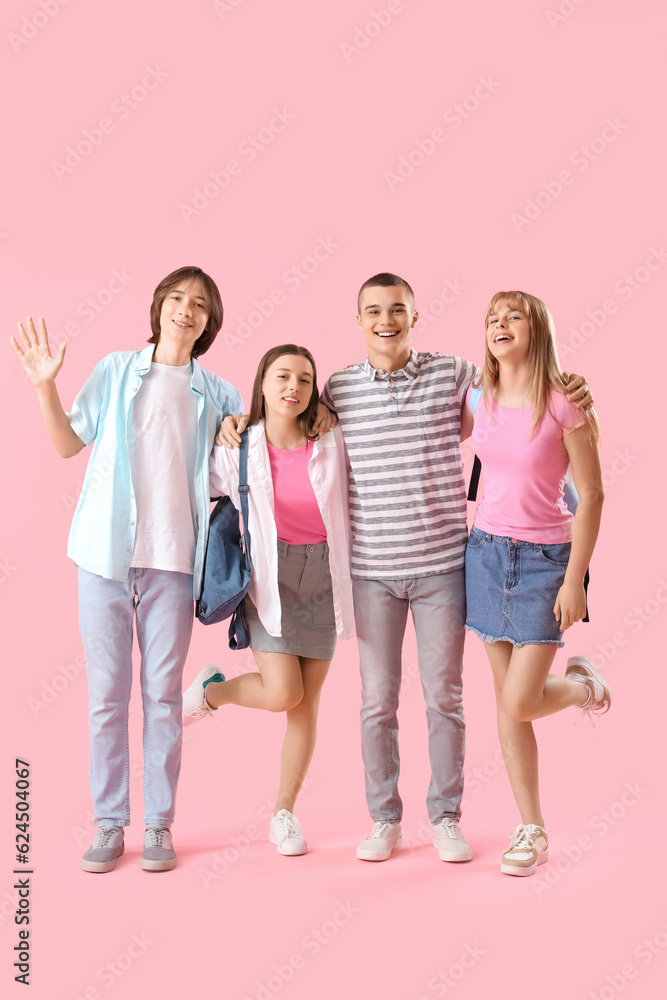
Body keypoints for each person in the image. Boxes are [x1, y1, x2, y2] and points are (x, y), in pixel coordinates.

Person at [218, 272, 594, 864]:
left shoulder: (455, 375)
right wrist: (233, 423)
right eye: (372, 311)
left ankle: (445, 816)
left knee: (446, 698)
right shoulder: (337, 390)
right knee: (376, 701)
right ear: (359, 320)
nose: (385, 320)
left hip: (447, 566)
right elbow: (284, 423)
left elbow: (518, 388)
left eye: (397, 309)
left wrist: (569, 384)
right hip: (371, 572)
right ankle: (384, 819)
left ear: (415, 317)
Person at [11, 266, 242, 873]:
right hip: (105, 558)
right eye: (176, 299)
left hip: (172, 564)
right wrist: (44, 386)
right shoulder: (116, 371)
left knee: (163, 697)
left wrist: (238, 430)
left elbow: (237, 468)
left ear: (209, 322)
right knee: (106, 698)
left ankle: (159, 826)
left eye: (199, 305)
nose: (185, 311)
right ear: (159, 307)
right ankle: (110, 824)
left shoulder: (219, 392)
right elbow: (68, 445)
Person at [182, 345, 354, 856]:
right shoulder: (239, 447)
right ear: (262, 383)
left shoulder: (331, 438)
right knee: (285, 693)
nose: (293, 388)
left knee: (306, 706)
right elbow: (192, 483)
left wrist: (328, 412)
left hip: (325, 575)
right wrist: (220, 427)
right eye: (282, 376)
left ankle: (284, 814)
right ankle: (214, 693)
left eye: (304, 379)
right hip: (270, 578)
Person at [463, 290, 609, 877]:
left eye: (513, 316)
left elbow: (593, 494)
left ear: (537, 328)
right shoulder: (480, 395)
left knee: (520, 699)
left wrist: (575, 581)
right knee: (509, 707)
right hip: (484, 555)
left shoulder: (565, 403)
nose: (500, 325)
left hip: (547, 561)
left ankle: (584, 689)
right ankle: (532, 828)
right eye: (492, 318)